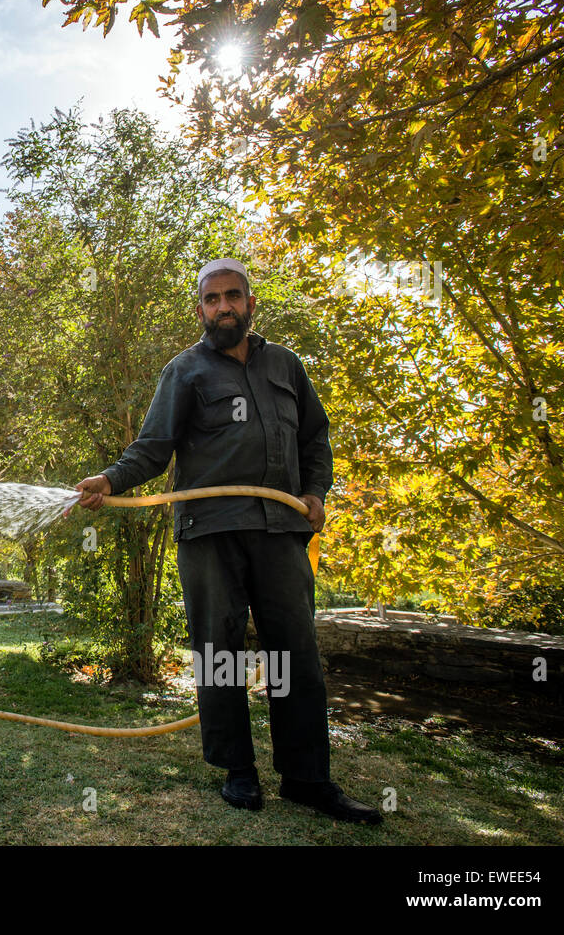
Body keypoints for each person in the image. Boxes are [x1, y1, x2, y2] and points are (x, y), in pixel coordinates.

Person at [74, 257, 381, 825]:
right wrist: (111, 479)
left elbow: (316, 437)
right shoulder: (185, 371)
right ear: (200, 310)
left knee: (295, 653)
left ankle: (308, 779)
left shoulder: (286, 366)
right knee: (220, 655)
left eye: (232, 296)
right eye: (212, 299)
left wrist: (315, 491)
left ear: (250, 304)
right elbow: (153, 448)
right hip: (208, 531)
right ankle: (238, 771)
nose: (223, 307)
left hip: (282, 530)